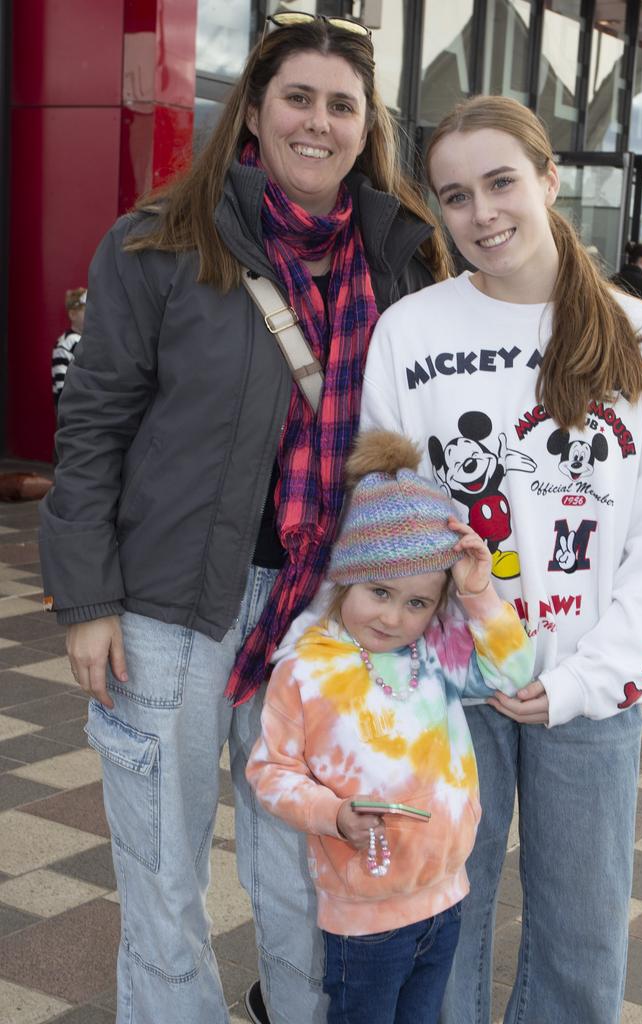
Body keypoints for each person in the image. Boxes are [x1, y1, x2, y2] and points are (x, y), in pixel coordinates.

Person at [37, 14, 450, 1024]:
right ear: (254, 114)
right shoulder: (159, 242)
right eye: (297, 98)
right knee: (165, 883)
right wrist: (87, 595)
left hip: (322, 624)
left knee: (305, 881)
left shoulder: (403, 258)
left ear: (368, 127)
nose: (318, 121)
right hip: (168, 608)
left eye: (341, 104)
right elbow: (92, 428)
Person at [358, 95, 642, 1024]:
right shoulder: (411, 332)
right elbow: (382, 514)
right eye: (455, 195)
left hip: (588, 689)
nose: (482, 214)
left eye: (502, 182)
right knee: (440, 928)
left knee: (582, 945)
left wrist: (591, 680)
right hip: (447, 688)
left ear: (551, 181)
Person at [247, 429, 534, 1024]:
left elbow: (513, 671)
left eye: (417, 602)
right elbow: (270, 772)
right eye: (379, 591)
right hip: (364, 916)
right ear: (347, 577)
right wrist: (331, 814)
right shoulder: (305, 670)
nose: (394, 616)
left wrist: (479, 596)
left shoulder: (436, 656)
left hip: (446, 898)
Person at [51, 287, 86, 412]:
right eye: (86, 310)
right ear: (72, 314)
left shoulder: (84, 340)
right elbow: (62, 385)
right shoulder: (69, 342)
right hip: (72, 409)